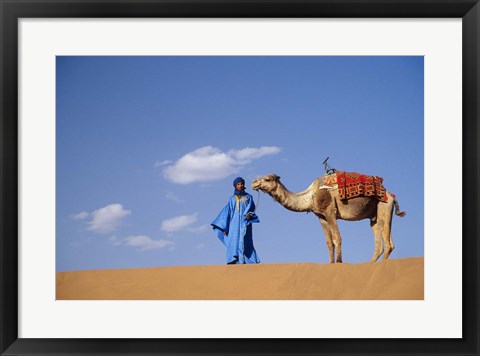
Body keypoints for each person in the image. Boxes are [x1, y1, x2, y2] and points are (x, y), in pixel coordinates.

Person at [211, 177, 260, 264]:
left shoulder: (249, 197)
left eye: (242, 184)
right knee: (234, 241)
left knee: (245, 241)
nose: (240, 185)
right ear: (235, 186)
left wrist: (249, 215)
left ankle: (248, 261)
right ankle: (233, 260)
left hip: (245, 224)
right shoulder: (231, 199)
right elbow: (227, 213)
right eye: (238, 184)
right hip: (233, 225)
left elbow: (251, 209)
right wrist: (225, 228)